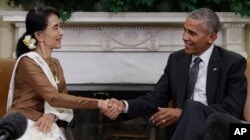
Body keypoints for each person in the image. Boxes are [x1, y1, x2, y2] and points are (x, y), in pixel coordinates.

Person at [102, 8, 247, 140]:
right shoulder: (177, 60)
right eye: (184, 30)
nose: (184, 37)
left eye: (192, 33)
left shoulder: (232, 62)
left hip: (220, 131)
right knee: (191, 108)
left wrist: (184, 113)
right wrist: (123, 105)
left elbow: (232, 109)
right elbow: (156, 98)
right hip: (186, 131)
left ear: (211, 37)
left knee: (192, 106)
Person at [6, 6, 115, 140]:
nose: (61, 32)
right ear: (40, 35)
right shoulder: (28, 62)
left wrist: (52, 115)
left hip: (44, 123)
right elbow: (54, 98)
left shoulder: (55, 63)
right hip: (23, 123)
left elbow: (62, 97)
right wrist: (99, 103)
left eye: (60, 26)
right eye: (56, 27)